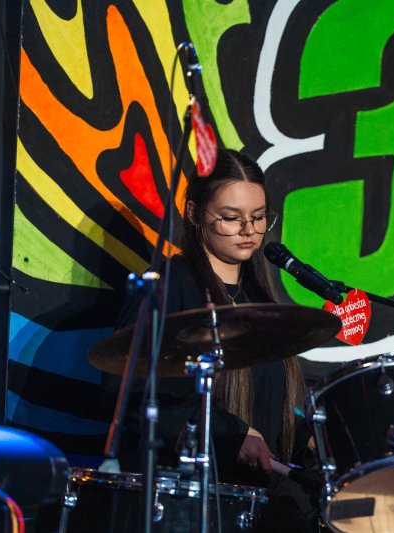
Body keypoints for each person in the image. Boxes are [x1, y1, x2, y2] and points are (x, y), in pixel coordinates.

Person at [108, 148, 317, 532]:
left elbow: (265, 407)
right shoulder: (171, 285)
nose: (249, 230)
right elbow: (132, 391)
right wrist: (231, 433)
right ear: (194, 214)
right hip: (195, 499)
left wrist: (306, 439)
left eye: (258, 217)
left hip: (260, 500)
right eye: (231, 218)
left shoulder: (259, 296)